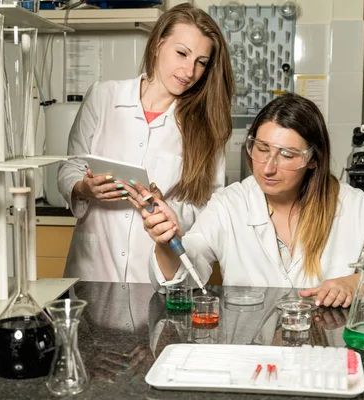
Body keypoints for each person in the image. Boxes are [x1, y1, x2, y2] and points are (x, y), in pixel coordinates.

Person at [139, 93, 364, 308]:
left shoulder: (350, 204)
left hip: (324, 352)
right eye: (261, 149)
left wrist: (357, 283)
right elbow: (180, 280)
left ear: (313, 160)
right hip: (252, 356)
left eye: (287, 156)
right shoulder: (230, 204)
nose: (267, 167)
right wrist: (166, 243)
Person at [57, 3, 233, 282]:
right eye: (181, 53)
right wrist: (84, 188)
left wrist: (170, 211)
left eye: (201, 62)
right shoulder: (103, 97)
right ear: (157, 46)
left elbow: (209, 208)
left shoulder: (207, 126)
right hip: (92, 267)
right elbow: (71, 167)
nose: (189, 71)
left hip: (153, 274)